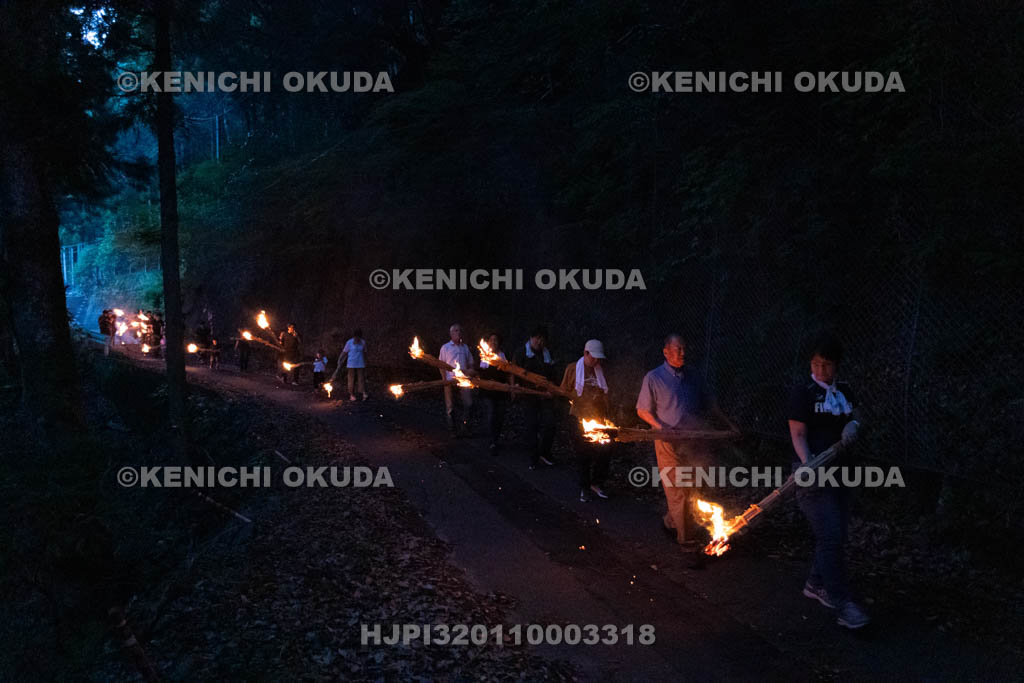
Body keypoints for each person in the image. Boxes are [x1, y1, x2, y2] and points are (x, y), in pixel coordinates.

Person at [788, 332, 870, 629]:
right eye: (816, 363)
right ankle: (842, 602)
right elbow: (798, 434)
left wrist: (854, 424)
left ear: (837, 366)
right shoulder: (804, 392)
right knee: (831, 536)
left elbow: (858, 414)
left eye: (827, 365)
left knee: (835, 535)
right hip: (812, 473)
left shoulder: (844, 390)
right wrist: (809, 464)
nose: (821, 370)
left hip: (845, 472)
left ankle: (815, 583)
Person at [637, 333, 736, 561]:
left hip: (693, 443)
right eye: (678, 349)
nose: (682, 353)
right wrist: (661, 427)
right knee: (677, 488)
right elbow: (642, 410)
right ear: (665, 351)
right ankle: (686, 543)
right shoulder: (653, 378)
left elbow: (710, 405)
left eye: (684, 349)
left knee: (691, 487)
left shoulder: (694, 376)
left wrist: (729, 424)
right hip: (667, 443)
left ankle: (671, 522)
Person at [560, 339, 611, 502]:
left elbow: (605, 393)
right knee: (583, 453)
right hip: (579, 416)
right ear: (585, 353)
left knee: (605, 450)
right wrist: (573, 399)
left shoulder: (600, 371)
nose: (596, 361)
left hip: (598, 416)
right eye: (593, 357)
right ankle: (584, 486)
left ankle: (597, 483)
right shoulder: (573, 369)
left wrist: (607, 413)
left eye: (598, 358)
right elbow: (563, 390)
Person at [513, 326, 558, 468]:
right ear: (531, 338)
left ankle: (544, 452)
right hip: (528, 395)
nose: (539, 341)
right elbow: (513, 371)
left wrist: (552, 388)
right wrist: (516, 386)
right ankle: (533, 457)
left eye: (542, 338)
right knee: (531, 426)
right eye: (537, 338)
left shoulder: (547, 354)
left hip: (545, 395)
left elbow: (553, 374)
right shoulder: (521, 353)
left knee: (550, 423)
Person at [438, 323, 475, 436]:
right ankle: (453, 430)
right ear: (451, 333)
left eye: (460, 331)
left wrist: (471, 372)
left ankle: (465, 428)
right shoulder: (445, 347)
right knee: (450, 407)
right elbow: (440, 365)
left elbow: (471, 363)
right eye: (456, 331)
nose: (458, 333)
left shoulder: (465, 347)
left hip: (464, 381)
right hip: (450, 381)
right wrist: (444, 380)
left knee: (469, 404)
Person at [478, 332, 511, 454]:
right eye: (491, 340)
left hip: (501, 391)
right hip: (487, 391)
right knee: (491, 413)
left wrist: (511, 387)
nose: (493, 342)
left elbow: (509, 373)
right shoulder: (483, 355)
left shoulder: (503, 355)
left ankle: (496, 439)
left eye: (496, 340)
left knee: (500, 415)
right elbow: (479, 371)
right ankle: (492, 440)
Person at [334, 329, 367, 401]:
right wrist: (340, 359)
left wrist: (366, 361)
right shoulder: (349, 342)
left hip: (360, 363)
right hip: (351, 363)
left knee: (361, 379)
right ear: (354, 337)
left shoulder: (363, 342)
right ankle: (351, 394)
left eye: (359, 337)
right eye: (356, 337)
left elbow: (365, 352)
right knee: (351, 379)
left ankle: (362, 393)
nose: (357, 339)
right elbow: (344, 352)